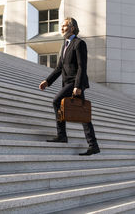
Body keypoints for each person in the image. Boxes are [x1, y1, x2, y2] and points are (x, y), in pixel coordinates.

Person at [39, 17, 100, 156]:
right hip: (68, 83)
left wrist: (78, 85)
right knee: (84, 114)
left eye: (65, 26)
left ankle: (62, 135)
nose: (61, 28)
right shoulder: (65, 45)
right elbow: (59, 67)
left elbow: (82, 66)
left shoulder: (79, 43)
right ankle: (93, 145)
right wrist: (47, 81)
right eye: (61, 26)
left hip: (75, 82)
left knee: (56, 101)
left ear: (72, 28)